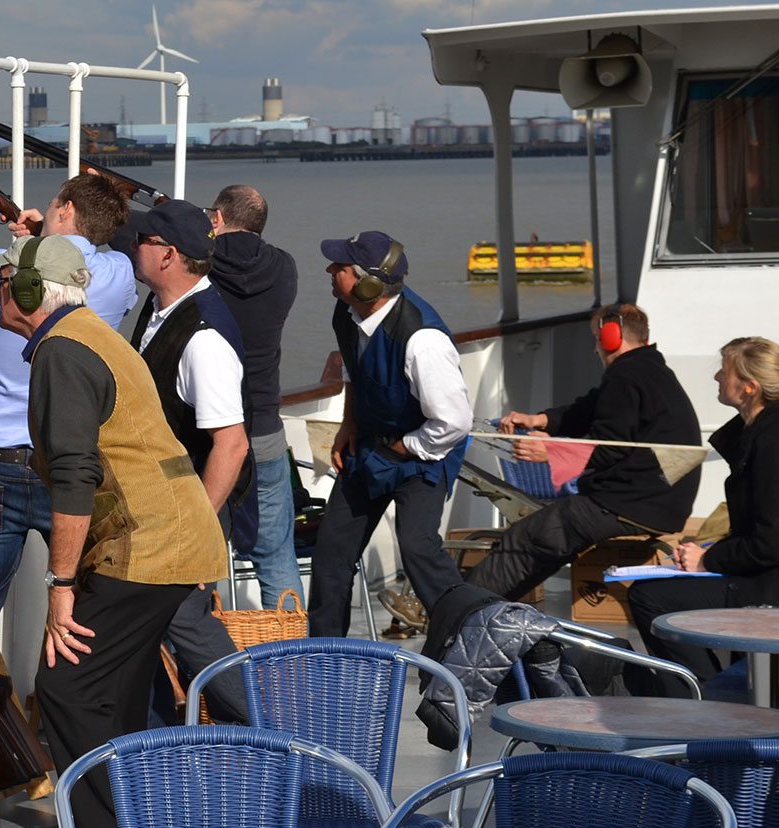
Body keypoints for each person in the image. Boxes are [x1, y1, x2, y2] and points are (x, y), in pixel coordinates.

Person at [0, 231, 227, 828]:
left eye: (2, 281)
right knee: (115, 696)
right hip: (169, 537)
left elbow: (73, 475)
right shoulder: (94, 332)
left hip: (144, 546)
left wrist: (60, 587)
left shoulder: (63, 352)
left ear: (32, 290)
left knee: (67, 690)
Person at [0, 164, 137, 630]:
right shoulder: (118, 274)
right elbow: (108, 246)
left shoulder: (2, 267)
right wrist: (48, 233)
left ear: (66, 209)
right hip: (74, 466)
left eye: (56, 202)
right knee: (83, 608)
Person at [469, 303, 702, 600]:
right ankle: (492, 608)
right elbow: (590, 408)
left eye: (596, 338)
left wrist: (550, 453)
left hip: (635, 504)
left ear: (611, 338)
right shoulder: (646, 369)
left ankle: (463, 611)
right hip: (655, 501)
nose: (595, 349)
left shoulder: (626, 376)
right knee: (543, 537)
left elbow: (610, 447)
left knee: (526, 536)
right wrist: (540, 419)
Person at [126, 197, 254, 723]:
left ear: (168, 255)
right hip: (159, 506)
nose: (134, 247)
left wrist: (198, 529)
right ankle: (151, 742)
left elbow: (232, 444)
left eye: (143, 240)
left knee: (187, 625)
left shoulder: (202, 337)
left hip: (186, 512)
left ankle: (268, 731)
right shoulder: (161, 312)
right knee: (150, 625)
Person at [307, 231, 470, 638]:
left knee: (418, 548)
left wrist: (403, 448)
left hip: (424, 453)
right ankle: (324, 657)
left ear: (369, 284)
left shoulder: (422, 340)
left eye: (340, 267)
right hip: (368, 447)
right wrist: (349, 423)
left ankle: (466, 632)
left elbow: (453, 422)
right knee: (331, 556)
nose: (329, 271)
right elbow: (354, 370)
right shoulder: (347, 315)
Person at [626, 336, 779, 690]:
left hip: (768, 585)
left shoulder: (771, 441)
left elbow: (771, 540)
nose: (715, 378)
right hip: (761, 573)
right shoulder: (758, 432)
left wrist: (707, 562)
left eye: (723, 372)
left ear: (750, 388)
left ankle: (702, 693)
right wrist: (708, 554)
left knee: (649, 597)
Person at [205, 184, 302, 607]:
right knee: (277, 556)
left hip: (208, 435)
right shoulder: (284, 268)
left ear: (218, 219)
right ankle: (292, 661)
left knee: (199, 554)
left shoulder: (202, 264)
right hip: (264, 428)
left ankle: (200, 662)